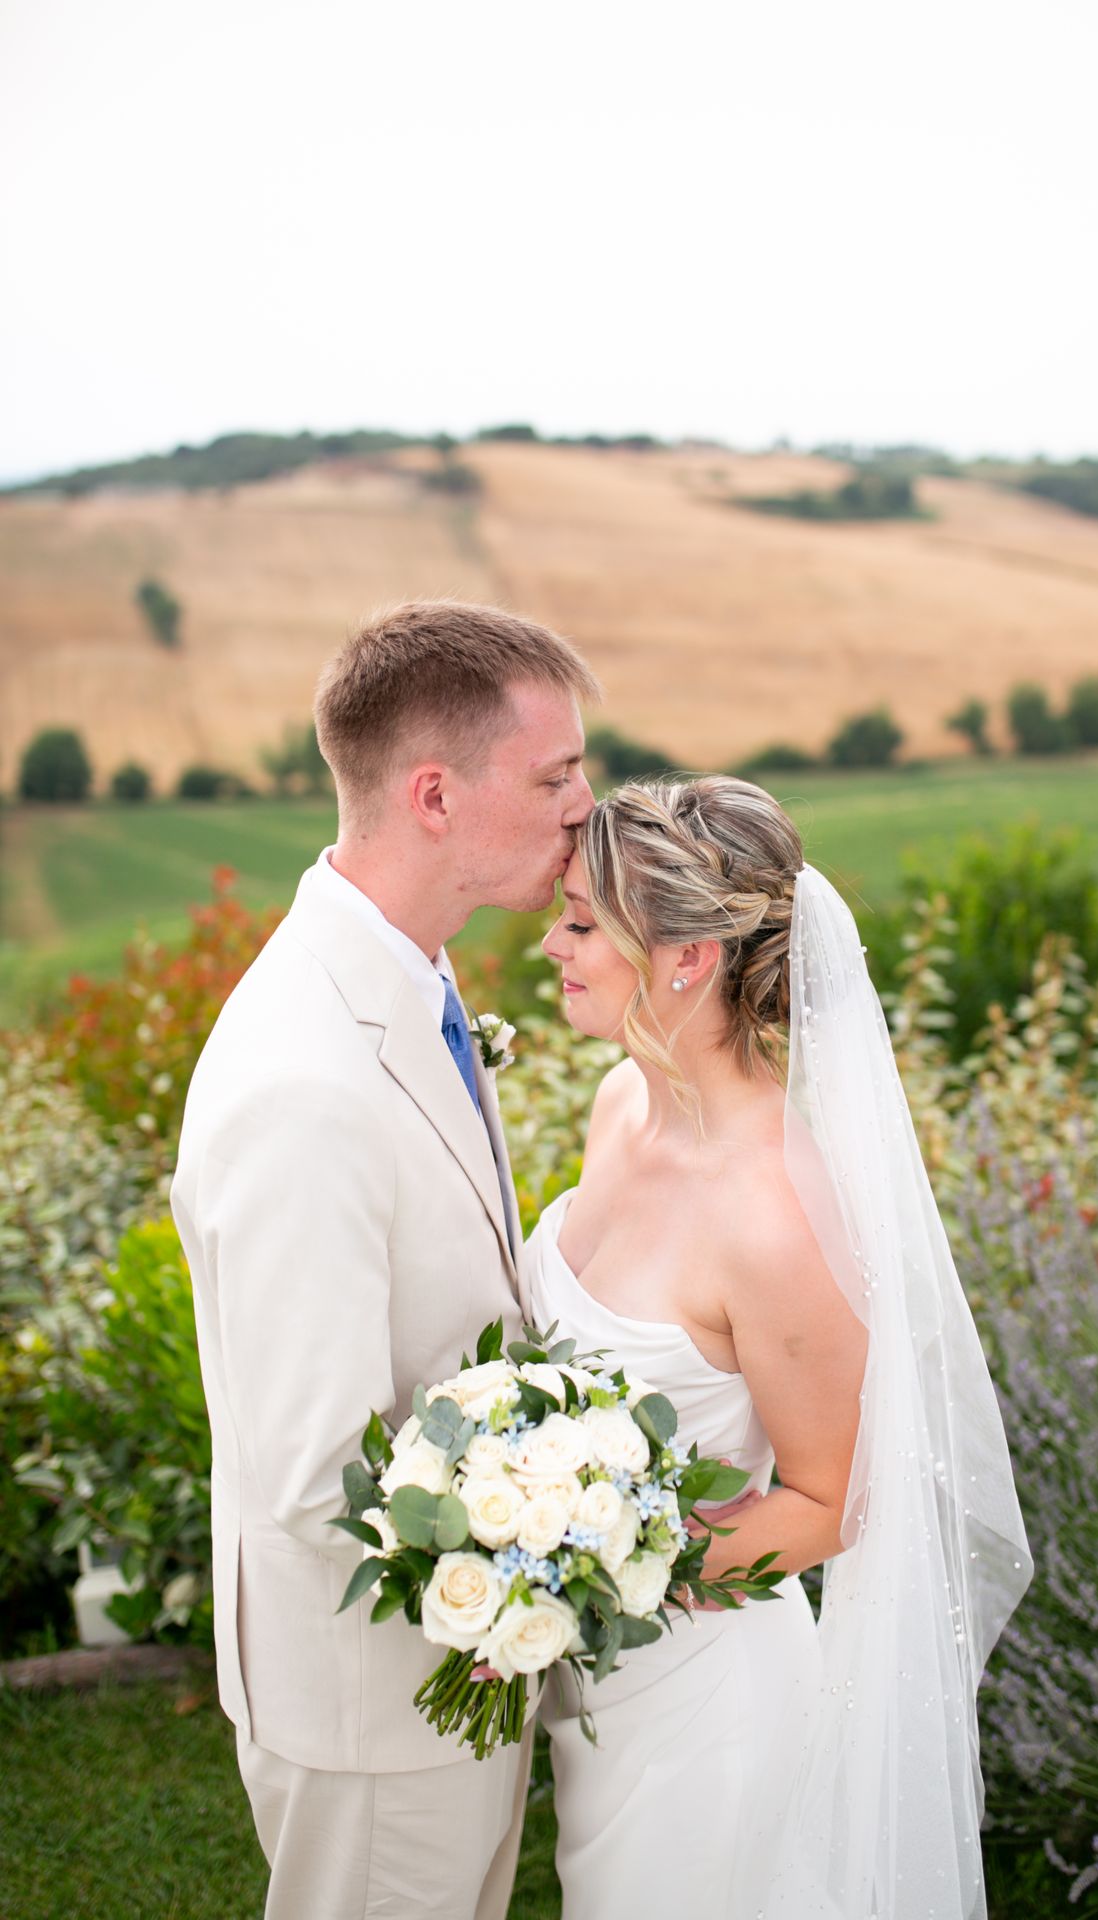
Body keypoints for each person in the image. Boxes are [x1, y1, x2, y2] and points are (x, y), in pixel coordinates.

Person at [529, 774, 1032, 1920]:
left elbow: (829, 1500)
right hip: (600, 1693)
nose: (548, 947)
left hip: (706, 1716)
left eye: (576, 923)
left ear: (685, 959)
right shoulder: (619, 1102)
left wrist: (591, 1572)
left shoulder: (771, 1217)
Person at [170, 600, 599, 1920]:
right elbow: (320, 1472)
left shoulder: (408, 972)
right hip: (374, 1702)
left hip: (444, 1674)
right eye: (555, 777)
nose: (587, 808)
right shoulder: (304, 1078)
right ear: (433, 794)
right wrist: (576, 1534)